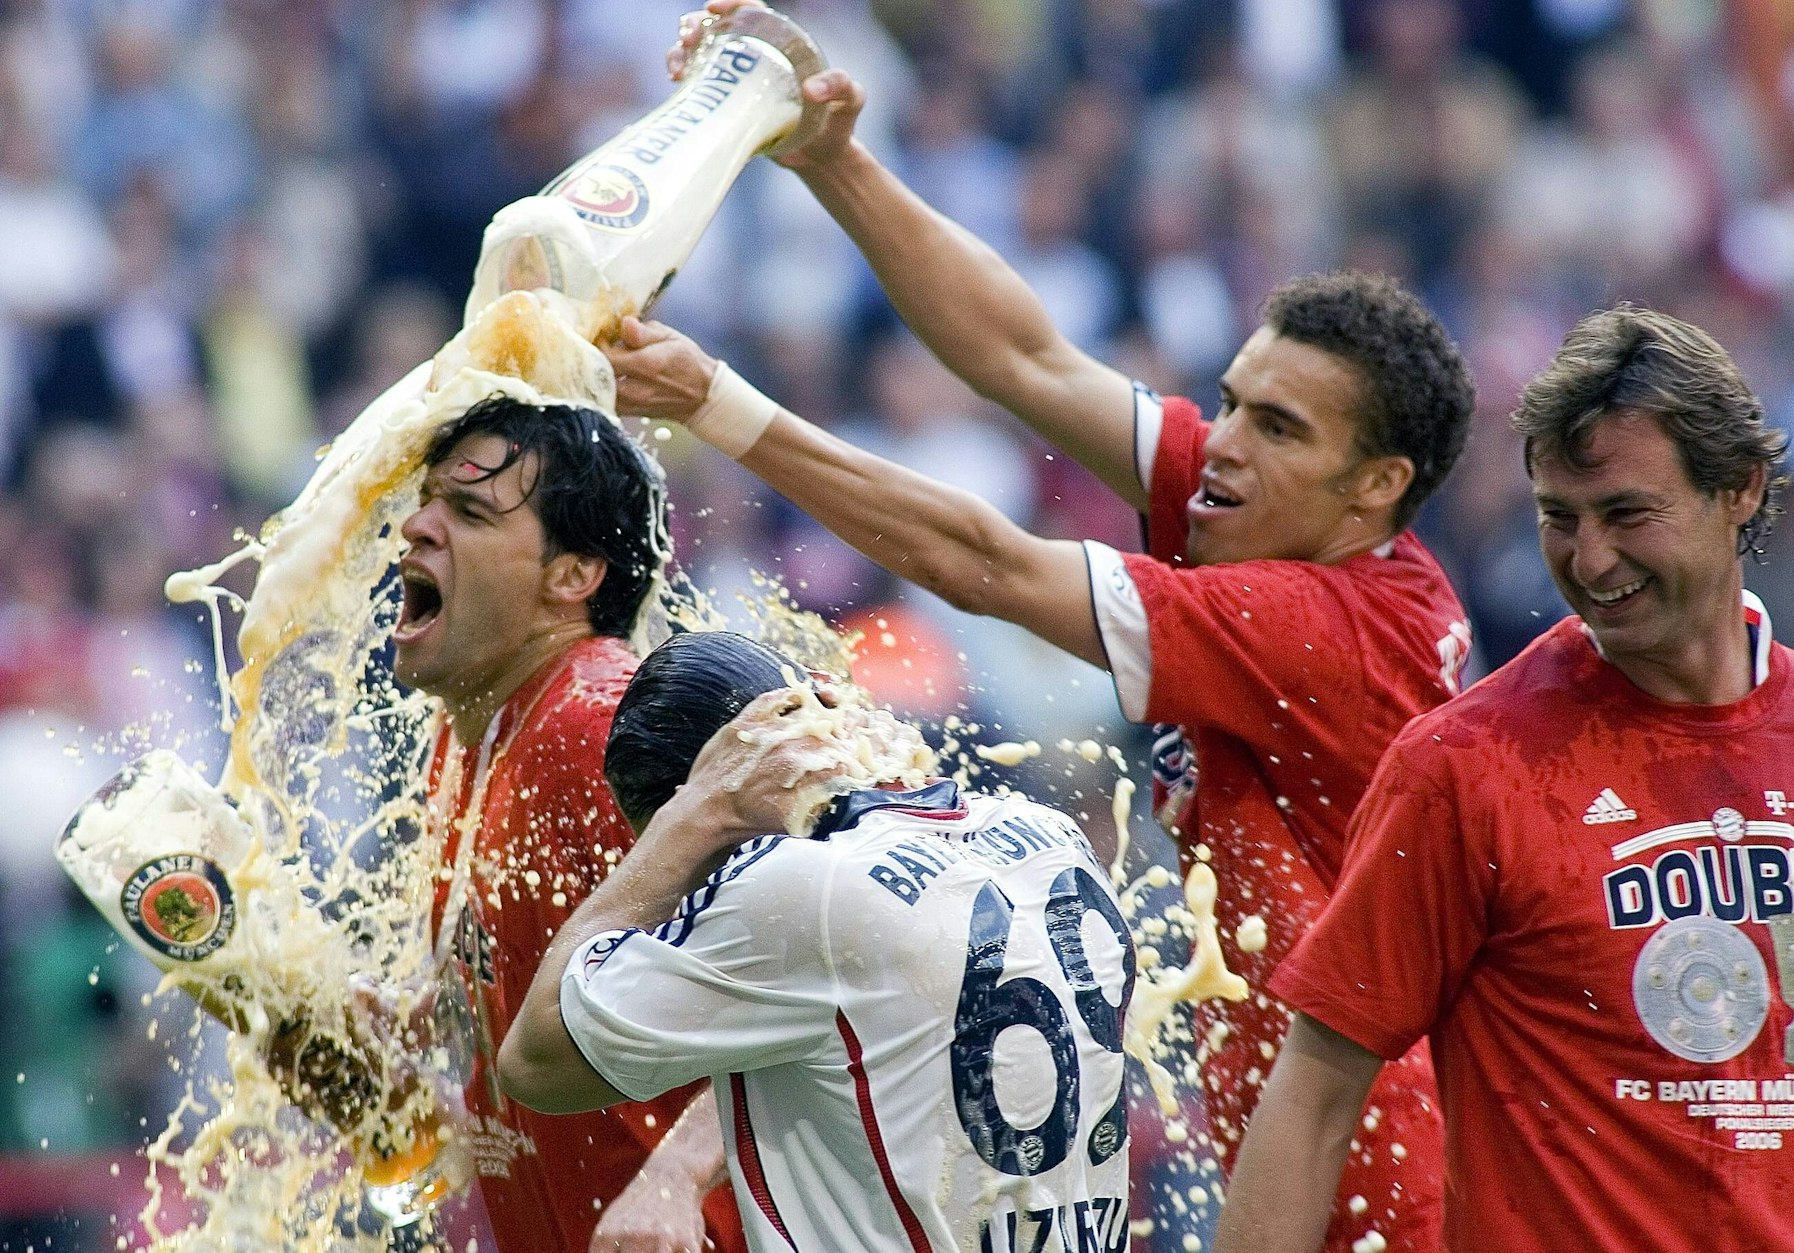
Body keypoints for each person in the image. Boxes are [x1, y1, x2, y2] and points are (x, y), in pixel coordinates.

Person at [603, 10, 1478, 1246]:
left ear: (1376, 485)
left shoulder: (1315, 621)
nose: (1221, 443)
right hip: (1305, 1123)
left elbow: (980, 562)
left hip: (1373, 1165)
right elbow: (1021, 355)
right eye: (1230, 401)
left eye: (1275, 428)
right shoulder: (1278, 520)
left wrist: (718, 403)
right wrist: (834, 159)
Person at [1218, 305, 1794, 1251]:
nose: (1591, 558)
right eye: (1559, 518)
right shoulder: (1466, 765)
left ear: (1740, 487)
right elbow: (1316, 1091)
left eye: (1627, 513)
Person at [498, 630, 1138, 1253]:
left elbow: (534, 1062)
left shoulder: (792, 887)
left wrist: (690, 821)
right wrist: (680, 1166)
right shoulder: (1046, 832)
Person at [365, 394, 744, 1251]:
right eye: (427, 502)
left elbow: (821, 972)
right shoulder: (468, 734)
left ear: (572, 575)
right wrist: (401, 1039)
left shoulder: (601, 724)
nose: (416, 528)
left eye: (469, 513)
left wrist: (680, 1173)